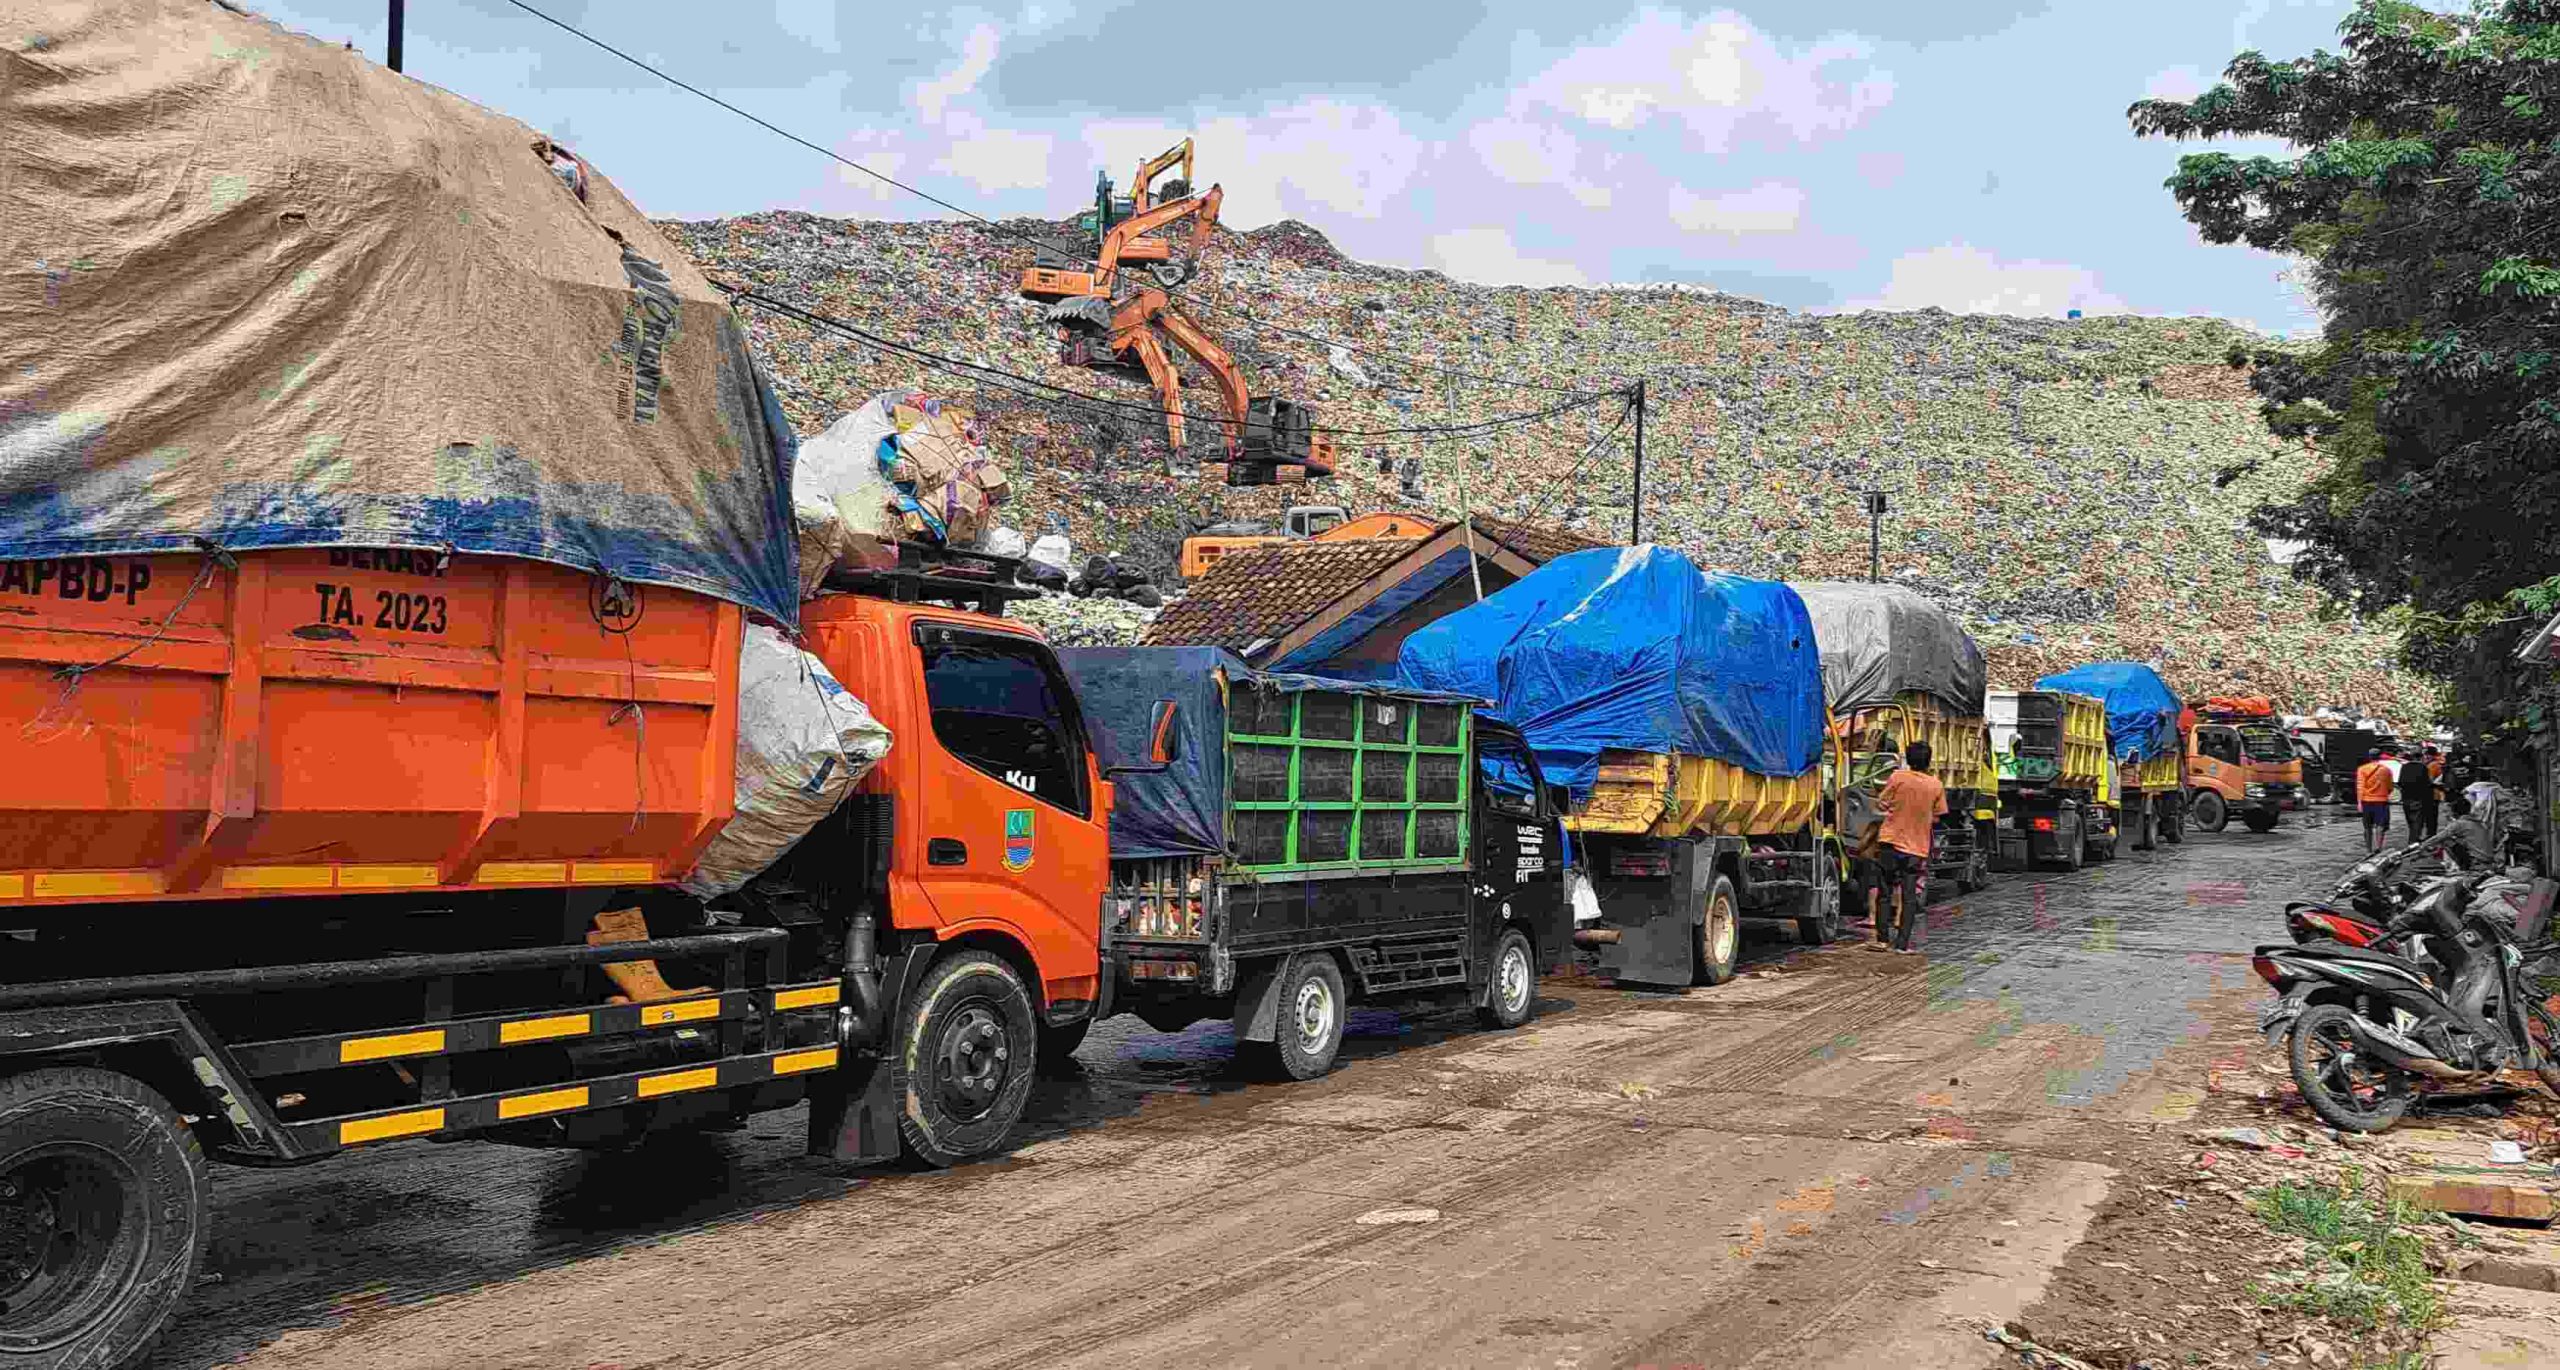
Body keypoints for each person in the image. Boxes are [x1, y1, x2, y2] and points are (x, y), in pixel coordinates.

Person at [1873, 740, 1948, 954]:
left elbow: (1881, 803)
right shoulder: (1936, 785)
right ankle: (1902, 944)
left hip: (1890, 841)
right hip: (1916, 848)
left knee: (1885, 893)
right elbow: (1939, 815)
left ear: (1908, 758)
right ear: (1929, 761)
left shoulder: (1897, 777)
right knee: (1908, 897)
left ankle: (1881, 940)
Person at [2354, 748, 2394, 854]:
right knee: (2380, 825)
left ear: (2369, 757)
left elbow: (2360, 787)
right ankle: (2379, 847)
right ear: (2380, 757)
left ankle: (2368, 850)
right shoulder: (2386, 770)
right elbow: (2390, 787)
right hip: (2381, 801)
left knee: (2367, 827)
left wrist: (2359, 802)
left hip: (2366, 800)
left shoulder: (2362, 769)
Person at [2399, 744, 2441, 843]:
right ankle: (2413, 844)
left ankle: (2413, 842)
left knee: (2411, 823)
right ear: (2421, 756)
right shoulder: (2423, 768)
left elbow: (2401, 783)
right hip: (2419, 800)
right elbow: (2427, 784)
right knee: (2417, 825)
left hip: (2406, 799)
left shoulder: (2404, 767)